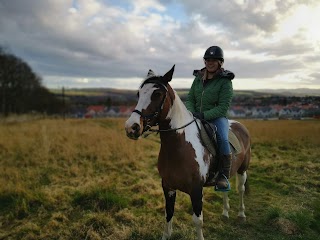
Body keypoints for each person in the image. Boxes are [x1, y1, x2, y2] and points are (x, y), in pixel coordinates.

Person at [185, 45, 235, 191]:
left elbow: (223, 107)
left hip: (216, 118)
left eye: (214, 60)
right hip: (195, 116)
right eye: (207, 59)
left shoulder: (225, 81)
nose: (210, 62)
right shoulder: (198, 78)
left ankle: (223, 176)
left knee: (223, 139)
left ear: (220, 62)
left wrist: (204, 115)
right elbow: (190, 98)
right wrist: (192, 112)